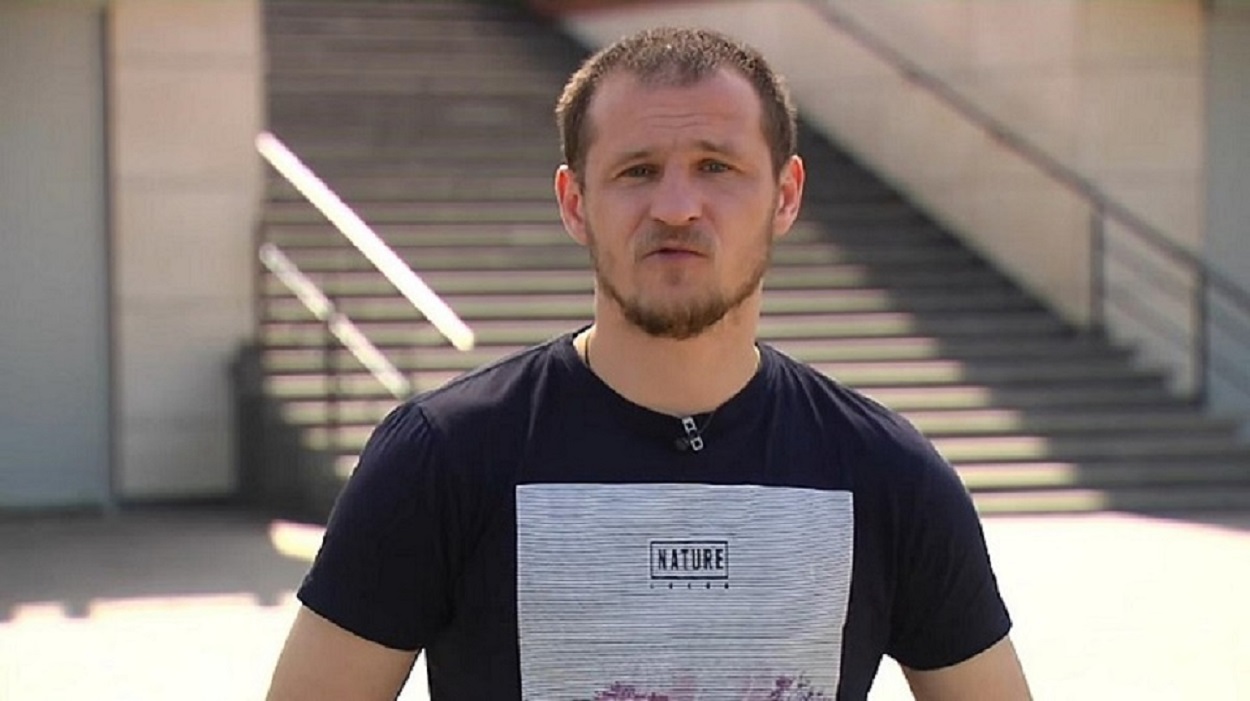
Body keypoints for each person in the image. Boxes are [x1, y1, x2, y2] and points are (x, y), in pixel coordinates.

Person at [266, 27, 1032, 700]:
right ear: (575, 202)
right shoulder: (444, 457)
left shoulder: (887, 473)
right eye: (636, 171)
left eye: (716, 166)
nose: (675, 207)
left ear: (786, 194)